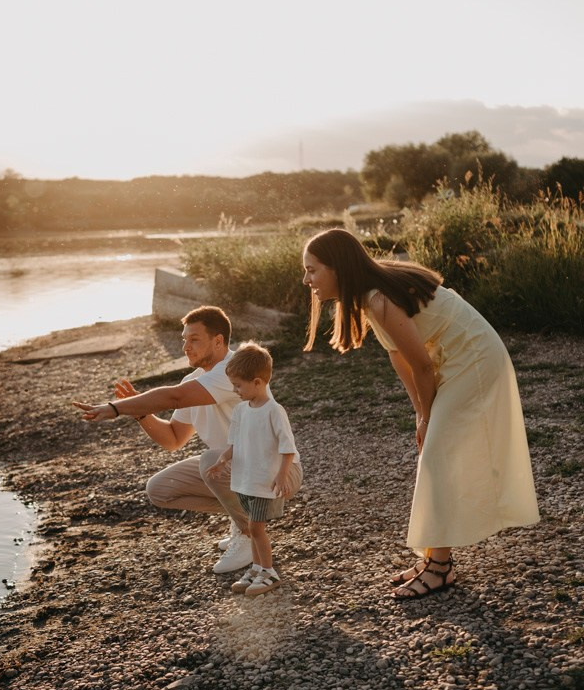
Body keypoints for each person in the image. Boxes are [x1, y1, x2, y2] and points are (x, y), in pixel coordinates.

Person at [302, 228, 539, 600]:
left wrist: (430, 418)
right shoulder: (369, 298)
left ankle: (440, 567)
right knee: (435, 454)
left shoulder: (378, 298)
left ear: (338, 268)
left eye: (312, 270)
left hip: (475, 359)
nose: (307, 280)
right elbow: (400, 357)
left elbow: (423, 367)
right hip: (454, 358)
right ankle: (433, 557)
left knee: (438, 456)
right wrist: (419, 414)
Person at [74, 306, 304, 573]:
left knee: (210, 459)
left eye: (194, 339)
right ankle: (243, 516)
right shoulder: (193, 380)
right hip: (236, 469)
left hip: (278, 474)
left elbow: (175, 396)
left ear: (218, 341)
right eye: (184, 339)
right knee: (159, 489)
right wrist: (140, 412)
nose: (185, 346)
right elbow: (173, 439)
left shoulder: (233, 371)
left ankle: (247, 533)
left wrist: (115, 408)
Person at [206, 342, 300, 597]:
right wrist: (222, 461)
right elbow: (234, 443)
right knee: (250, 526)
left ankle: (268, 571)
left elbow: (288, 447)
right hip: (244, 481)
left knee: (257, 528)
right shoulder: (240, 411)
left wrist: (281, 475)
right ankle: (258, 568)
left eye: (239, 385)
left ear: (258, 382)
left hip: (263, 482)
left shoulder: (273, 411)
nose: (235, 390)